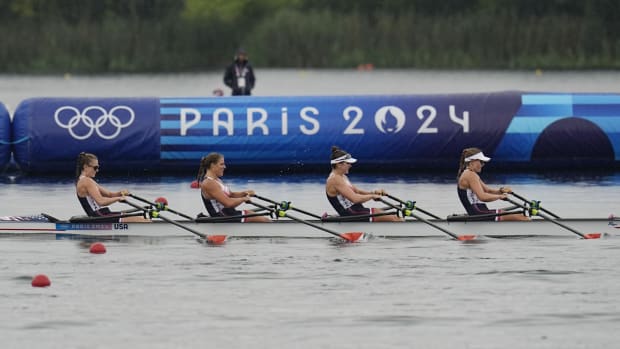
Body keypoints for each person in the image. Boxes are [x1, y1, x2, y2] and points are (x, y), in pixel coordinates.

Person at [325, 146, 402, 222]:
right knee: (394, 219)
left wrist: (374, 192)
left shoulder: (342, 176)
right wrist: (372, 196)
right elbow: (355, 199)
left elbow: (357, 192)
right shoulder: (334, 179)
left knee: (390, 215)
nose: (350, 165)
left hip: (357, 210)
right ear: (339, 164)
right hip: (351, 214)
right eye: (348, 163)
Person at [457, 147, 529, 221]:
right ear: (472, 161)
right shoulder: (470, 175)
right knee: (521, 217)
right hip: (478, 213)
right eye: (481, 162)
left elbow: (487, 190)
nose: (483, 164)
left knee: (520, 216)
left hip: (480, 211)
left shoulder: (470, 174)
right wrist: (499, 197)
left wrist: (501, 190)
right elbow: (482, 197)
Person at [75, 152, 149, 222]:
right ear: (85, 166)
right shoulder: (86, 181)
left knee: (142, 219)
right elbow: (101, 202)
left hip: (102, 214)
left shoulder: (86, 180)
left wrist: (120, 193)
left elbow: (109, 194)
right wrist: (118, 198)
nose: (97, 170)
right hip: (99, 216)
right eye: (95, 167)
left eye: (98, 167)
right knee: (141, 220)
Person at [197, 153, 270, 222]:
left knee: (261, 218)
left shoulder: (217, 180)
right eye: (221, 164)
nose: (224, 167)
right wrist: (243, 199)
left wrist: (244, 193)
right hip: (222, 217)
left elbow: (230, 195)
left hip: (229, 214)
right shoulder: (209, 183)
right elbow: (228, 203)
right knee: (265, 221)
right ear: (212, 165)